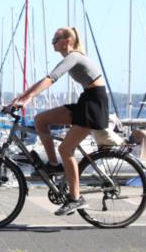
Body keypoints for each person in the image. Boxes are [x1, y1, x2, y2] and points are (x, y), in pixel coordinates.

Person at [9, 26, 109, 216]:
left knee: (65, 149)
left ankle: (75, 198)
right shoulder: (70, 58)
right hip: (86, 100)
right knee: (40, 120)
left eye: (55, 40)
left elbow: (51, 79)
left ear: (67, 41)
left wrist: (29, 99)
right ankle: (54, 165)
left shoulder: (74, 56)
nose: (52, 43)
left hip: (94, 104)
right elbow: (44, 79)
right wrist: (20, 97)